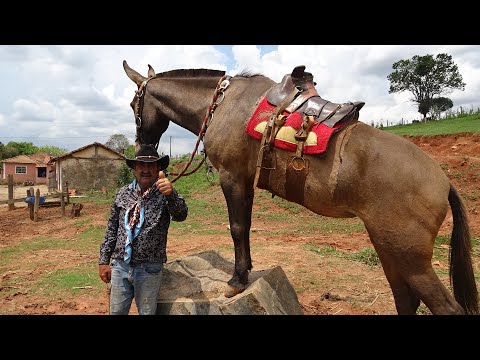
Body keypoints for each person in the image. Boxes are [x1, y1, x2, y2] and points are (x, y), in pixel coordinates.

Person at [98, 144, 188, 315]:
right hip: (120, 266)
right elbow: (112, 229)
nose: (145, 170)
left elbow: (181, 215)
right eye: (141, 166)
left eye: (151, 165)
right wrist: (104, 261)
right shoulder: (122, 194)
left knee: (146, 313)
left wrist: (171, 195)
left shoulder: (164, 193)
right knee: (116, 312)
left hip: (149, 268)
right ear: (134, 169)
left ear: (158, 168)